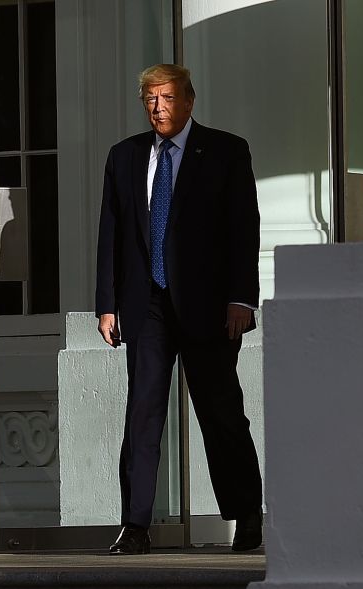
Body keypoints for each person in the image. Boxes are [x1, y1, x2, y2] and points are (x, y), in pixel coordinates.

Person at [95, 63, 263, 555]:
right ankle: (136, 525)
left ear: (189, 101)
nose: (158, 108)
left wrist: (241, 297)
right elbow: (112, 233)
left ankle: (247, 513)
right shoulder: (124, 157)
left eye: (167, 98)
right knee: (143, 413)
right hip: (146, 305)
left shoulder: (227, 151)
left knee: (221, 411)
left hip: (210, 306)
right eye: (150, 98)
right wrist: (107, 304)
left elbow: (242, 228)